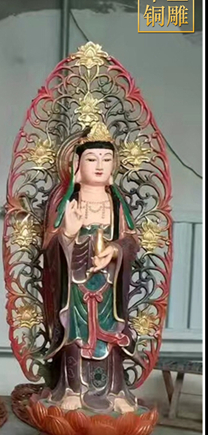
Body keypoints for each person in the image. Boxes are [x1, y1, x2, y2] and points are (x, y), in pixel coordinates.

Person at [41, 122, 139, 414]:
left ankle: (115, 389)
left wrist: (115, 250)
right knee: (75, 330)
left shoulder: (117, 203)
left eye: (107, 159)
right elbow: (48, 246)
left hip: (110, 285)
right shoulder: (66, 202)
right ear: (77, 165)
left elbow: (131, 242)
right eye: (92, 159)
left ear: (114, 166)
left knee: (113, 329)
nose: (99, 166)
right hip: (74, 285)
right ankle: (73, 388)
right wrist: (68, 234)